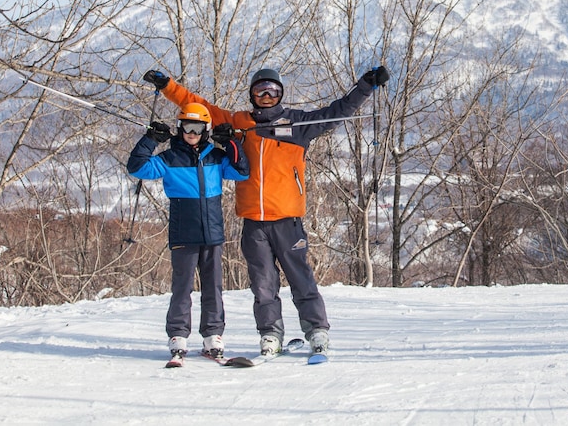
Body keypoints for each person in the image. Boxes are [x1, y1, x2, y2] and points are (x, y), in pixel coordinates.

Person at [142, 65, 390, 357]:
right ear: (252, 94)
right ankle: (270, 333)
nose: (266, 96)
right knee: (262, 284)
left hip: (288, 218)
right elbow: (197, 106)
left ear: (281, 93)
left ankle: (317, 330)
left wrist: (366, 85)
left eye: (272, 90)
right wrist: (167, 85)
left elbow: (338, 110)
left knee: (301, 278)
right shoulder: (238, 123)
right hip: (254, 222)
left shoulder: (297, 124)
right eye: (260, 90)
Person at [127, 102, 250, 366]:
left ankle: (213, 335)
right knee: (182, 288)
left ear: (205, 130)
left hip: (213, 232)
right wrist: (150, 140)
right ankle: (178, 336)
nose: (191, 133)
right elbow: (136, 168)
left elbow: (242, 171)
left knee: (213, 287)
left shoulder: (216, 157)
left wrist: (231, 143)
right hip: (183, 233)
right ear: (180, 128)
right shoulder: (170, 159)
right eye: (186, 127)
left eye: (196, 127)